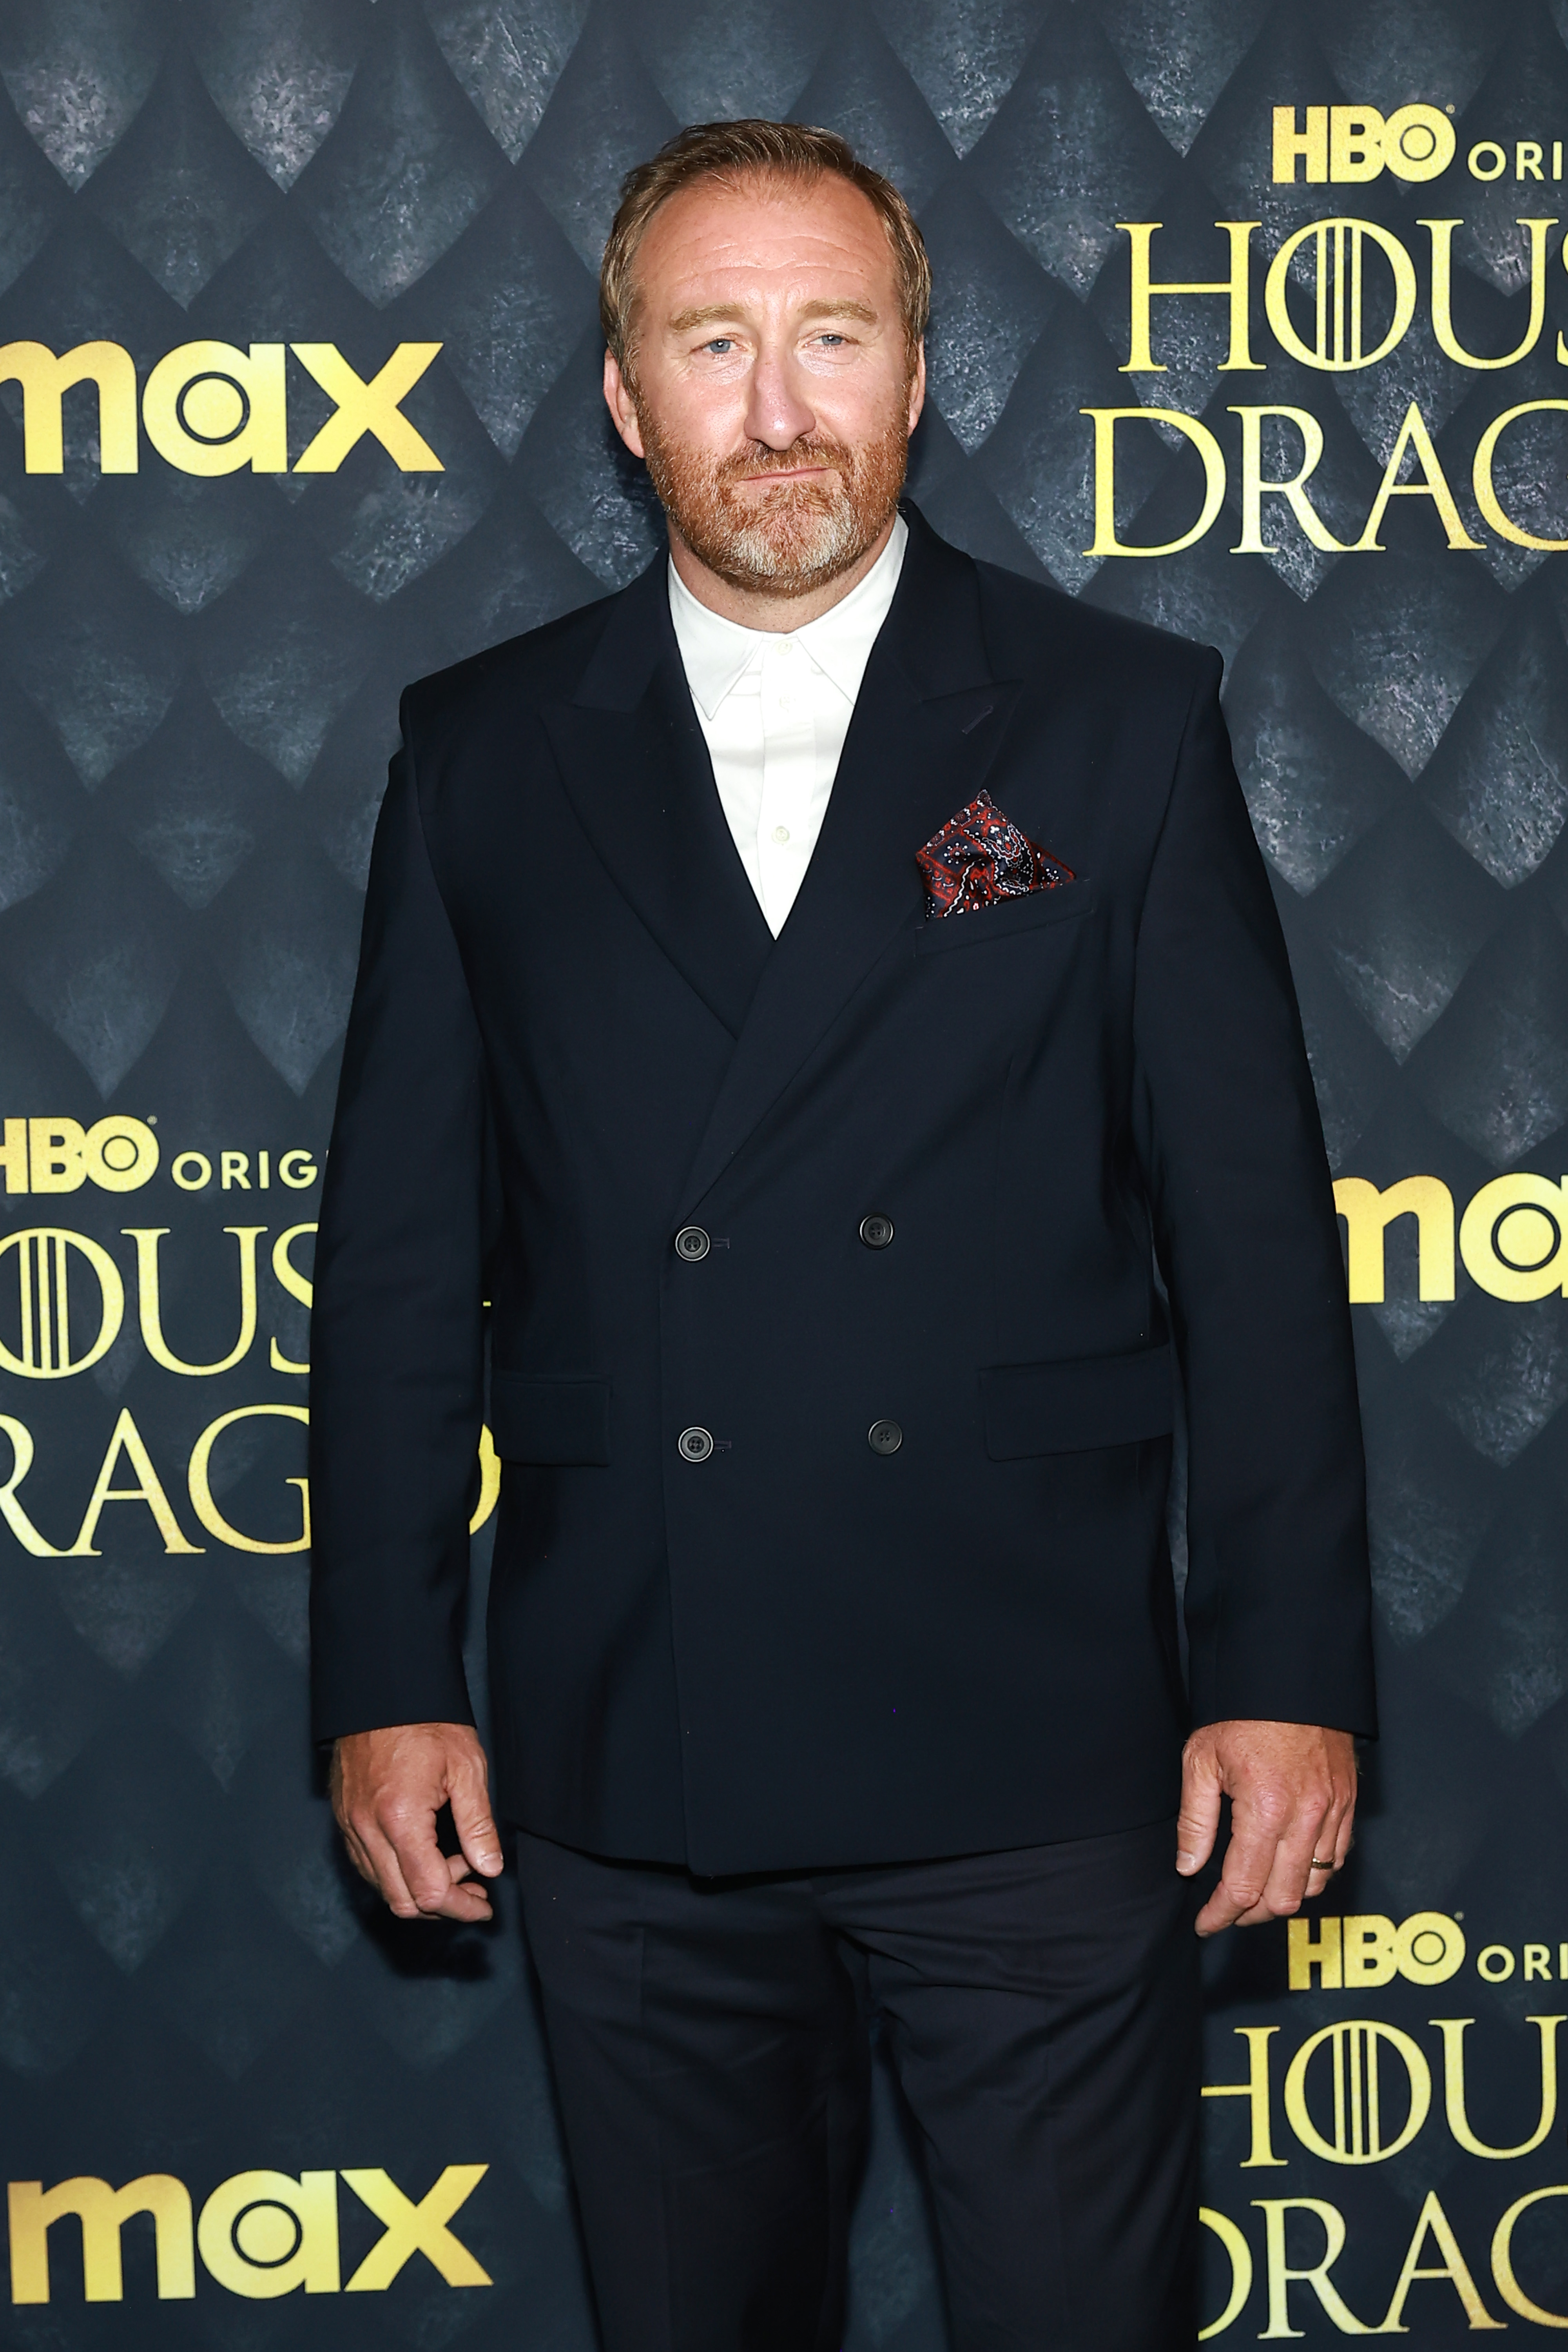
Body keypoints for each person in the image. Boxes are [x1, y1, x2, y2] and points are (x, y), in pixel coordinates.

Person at [309, 118, 1374, 2352]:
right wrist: (389, 1679)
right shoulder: (481, 752)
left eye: (833, 337)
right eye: (714, 344)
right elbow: (401, 1265)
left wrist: (1282, 1673)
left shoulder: (1119, 721)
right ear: (627, 398)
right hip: (635, 1742)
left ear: (917, 373)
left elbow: (1256, 1252)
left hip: (1034, 1730)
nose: (779, 407)